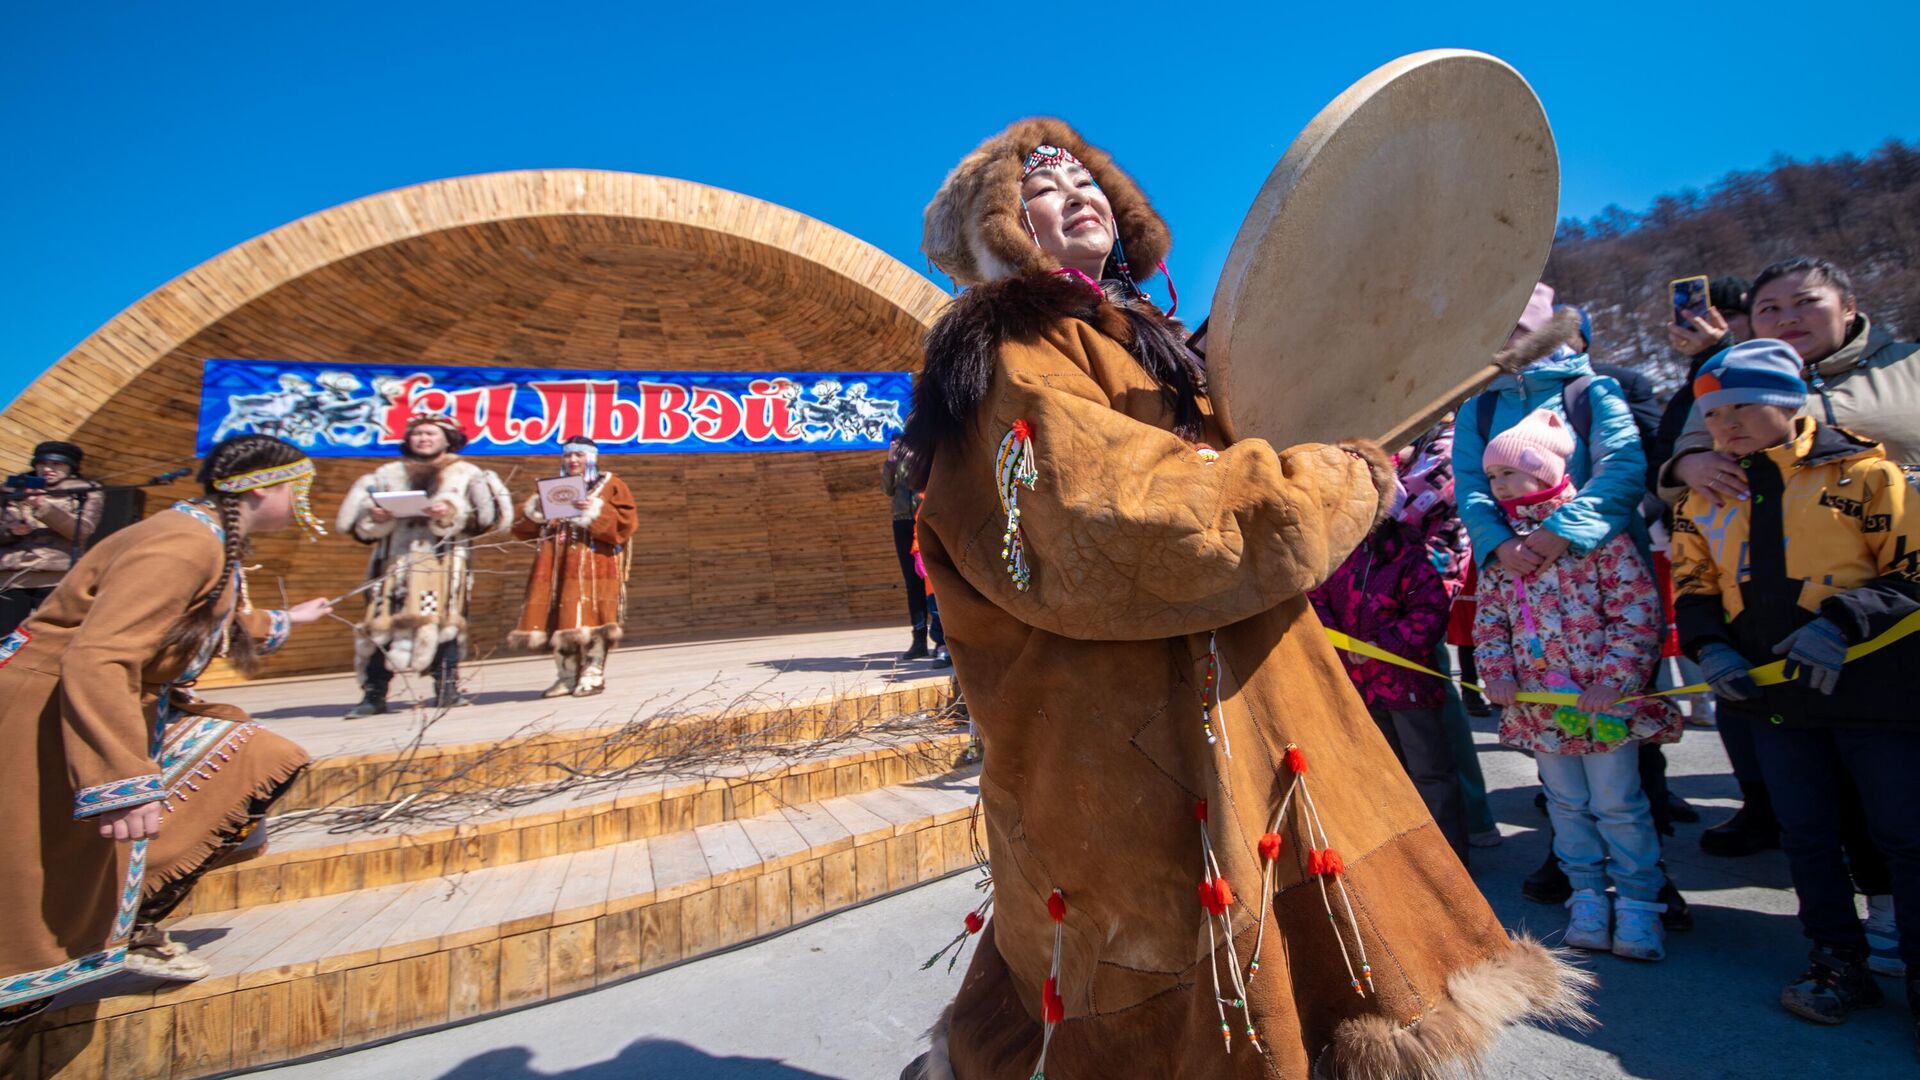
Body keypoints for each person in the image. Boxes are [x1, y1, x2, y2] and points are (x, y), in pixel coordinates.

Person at [897, 120, 1585, 1080]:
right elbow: (1118, 522)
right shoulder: (1012, 352)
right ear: (995, 235)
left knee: (1269, 957)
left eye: (1088, 177)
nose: (1077, 192)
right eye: (1040, 189)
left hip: (1238, 708)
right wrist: (1332, 484)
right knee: (1152, 979)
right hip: (1125, 735)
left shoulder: (1141, 339)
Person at [0, 435, 332, 1028]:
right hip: (50, 706)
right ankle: (47, 967)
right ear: (263, 488)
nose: (301, 502)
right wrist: (120, 777)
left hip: (87, 701)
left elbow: (205, 620)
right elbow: (98, 656)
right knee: (38, 855)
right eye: (297, 489)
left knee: (254, 754)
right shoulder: (183, 543)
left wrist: (288, 619)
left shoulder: (206, 537)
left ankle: (120, 918)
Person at [1661, 257, 1914, 967]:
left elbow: (1912, 567)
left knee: (1898, 830)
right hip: (1770, 698)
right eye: (1712, 415)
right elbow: (1695, 583)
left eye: (1744, 406)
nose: (1727, 425)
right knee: (1806, 831)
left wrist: (1842, 624)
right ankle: (1833, 959)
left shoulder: (1865, 473)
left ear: (1792, 400)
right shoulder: (1705, 497)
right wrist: (1709, 646)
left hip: (1874, 690)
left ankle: (1906, 952)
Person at [1474, 409, 1683, 961]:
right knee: (1565, 803)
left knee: (1618, 802)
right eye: (1492, 477)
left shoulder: (1597, 542)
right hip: (1544, 712)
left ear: (1543, 472)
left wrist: (1615, 680)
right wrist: (1497, 672)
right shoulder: (1504, 556)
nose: (1498, 485)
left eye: (1509, 473)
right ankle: (1586, 895)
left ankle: (1639, 904)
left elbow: (1636, 613)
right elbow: (1490, 622)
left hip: (1604, 708)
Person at [1309, 491, 1470, 861]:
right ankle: (1405, 856)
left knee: (1430, 771)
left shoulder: (1409, 558)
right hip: (1360, 685)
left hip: (1408, 688)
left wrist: (1378, 645)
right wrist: (1343, 643)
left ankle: (1450, 858)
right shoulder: (1338, 555)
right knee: (1385, 772)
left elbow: (1429, 614)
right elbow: (1317, 599)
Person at [336, 413, 513, 717]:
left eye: (431, 433)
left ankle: (447, 688)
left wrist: (451, 512)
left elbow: (488, 519)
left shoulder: (466, 474)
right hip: (395, 566)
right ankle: (373, 693)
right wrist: (375, 516)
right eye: (418, 434)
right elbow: (356, 525)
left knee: (445, 625)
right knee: (381, 627)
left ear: (447, 438)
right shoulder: (387, 474)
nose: (424, 439)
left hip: (443, 566)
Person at [507, 436, 638, 698]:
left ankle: (593, 674)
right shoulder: (552, 487)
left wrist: (596, 512)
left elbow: (626, 524)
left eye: (580, 454)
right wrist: (536, 510)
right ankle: (566, 675)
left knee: (595, 617)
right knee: (560, 618)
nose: (573, 460)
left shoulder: (611, 485)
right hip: (555, 563)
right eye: (568, 455)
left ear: (592, 457)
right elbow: (521, 527)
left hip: (594, 563)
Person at [0, 441, 102, 636]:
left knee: (43, 640)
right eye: (42, 464)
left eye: (56, 464)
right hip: (9, 580)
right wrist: (12, 532)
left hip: (54, 579)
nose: (48, 469)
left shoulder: (86, 491)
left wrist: (42, 506)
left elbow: (81, 531)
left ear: (70, 466)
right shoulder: (9, 489)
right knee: (4, 641)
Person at [883, 437, 946, 662]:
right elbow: (887, 488)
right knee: (912, 581)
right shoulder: (897, 461)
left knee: (933, 580)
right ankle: (918, 639)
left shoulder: (928, 455)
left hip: (925, 519)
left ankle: (941, 639)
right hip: (902, 521)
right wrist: (892, 459)